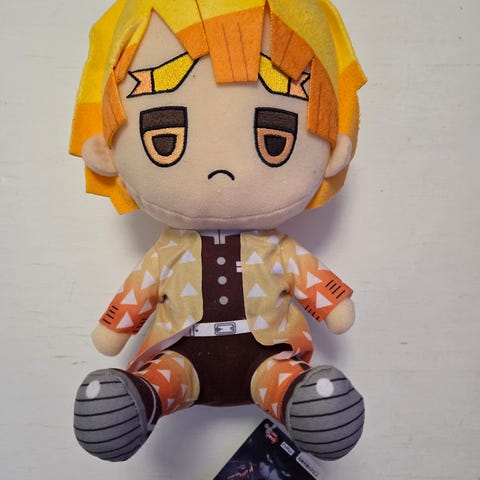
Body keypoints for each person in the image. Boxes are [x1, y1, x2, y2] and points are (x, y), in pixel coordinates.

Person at [71, 0, 366, 463]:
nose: (221, 169)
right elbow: (137, 292)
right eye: (164, 136)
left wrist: (333, 305)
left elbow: (319, 288)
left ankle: (298, 400)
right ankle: (144, 399)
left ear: (332, 151)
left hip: (268, 357)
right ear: (104, 151)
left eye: (274, 138)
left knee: (282, 378)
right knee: (166, 376)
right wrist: (113, 328)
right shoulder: (169, 251)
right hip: (180, 356)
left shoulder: (277, 249)